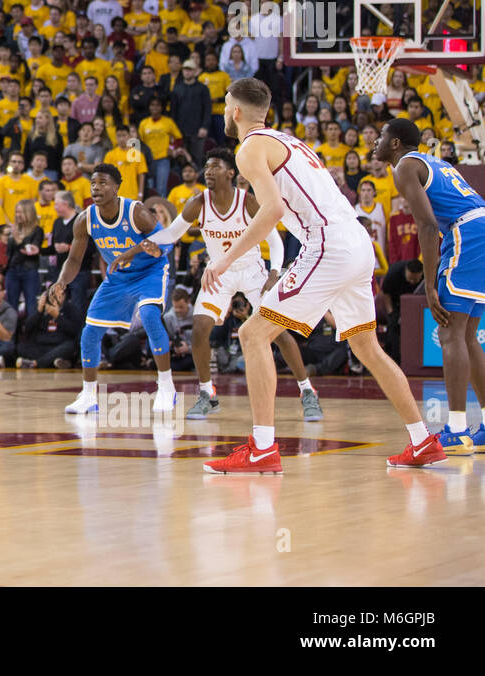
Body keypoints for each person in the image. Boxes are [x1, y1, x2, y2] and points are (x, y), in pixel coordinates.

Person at [202, 78, 442, 473]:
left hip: (328, 245)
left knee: (252, 334)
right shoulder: (288, 140)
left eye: (226, 104)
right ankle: (422, 441)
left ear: (236, 111)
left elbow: (273, 211)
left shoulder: (249, 148)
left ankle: (262, 448)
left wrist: (225, 260)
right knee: (367, 349)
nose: (225, 111)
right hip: (356, 242)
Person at [114, 148, 323, 421]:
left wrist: (274, 274)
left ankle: (307, 391)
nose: (208, 171)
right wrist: (135, 250)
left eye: (215, 167)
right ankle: (206, 394)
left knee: (278, 332)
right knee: (200, 328)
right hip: (219, 273)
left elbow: (274, 240)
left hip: (252, 271)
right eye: (207, 166)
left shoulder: (247, 202)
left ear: (231, 172)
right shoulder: (198, 203)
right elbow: (170, 235)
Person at [377, 118, 485, 453]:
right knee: (468, 336)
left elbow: (425, 226)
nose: (376, 141)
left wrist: (428, 283)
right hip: (479, 226)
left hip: (466, 233)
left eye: (382, 136)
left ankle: (455, 429)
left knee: (451, 333)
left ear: (396, 143)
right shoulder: (433, 162)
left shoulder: (406, 166)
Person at [50, 163, 174, 414]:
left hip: (149, 272)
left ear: (116, 187)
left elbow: (166, 239)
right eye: (93, 183)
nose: (96, 187)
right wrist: (61, 281)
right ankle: (88, 395)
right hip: (119, 278)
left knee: (150, 316)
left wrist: (144, 249)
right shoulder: (85, 219)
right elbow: (74, 260)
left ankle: (166, 387)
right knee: (90, 332)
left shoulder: (135, 211)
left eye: (103, 183)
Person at [16, 281, 83, 369]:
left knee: (71, 346)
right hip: (42, 346)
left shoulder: (71, 310)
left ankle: (35, 364)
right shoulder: (41, 308)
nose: (55, 298)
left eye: (59, 295)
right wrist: (39, 312)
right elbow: (28, 329)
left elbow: (75, 331)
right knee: (20, 347)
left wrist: (58, 317)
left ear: (64, 296)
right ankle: (55, 362)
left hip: (60, 346)